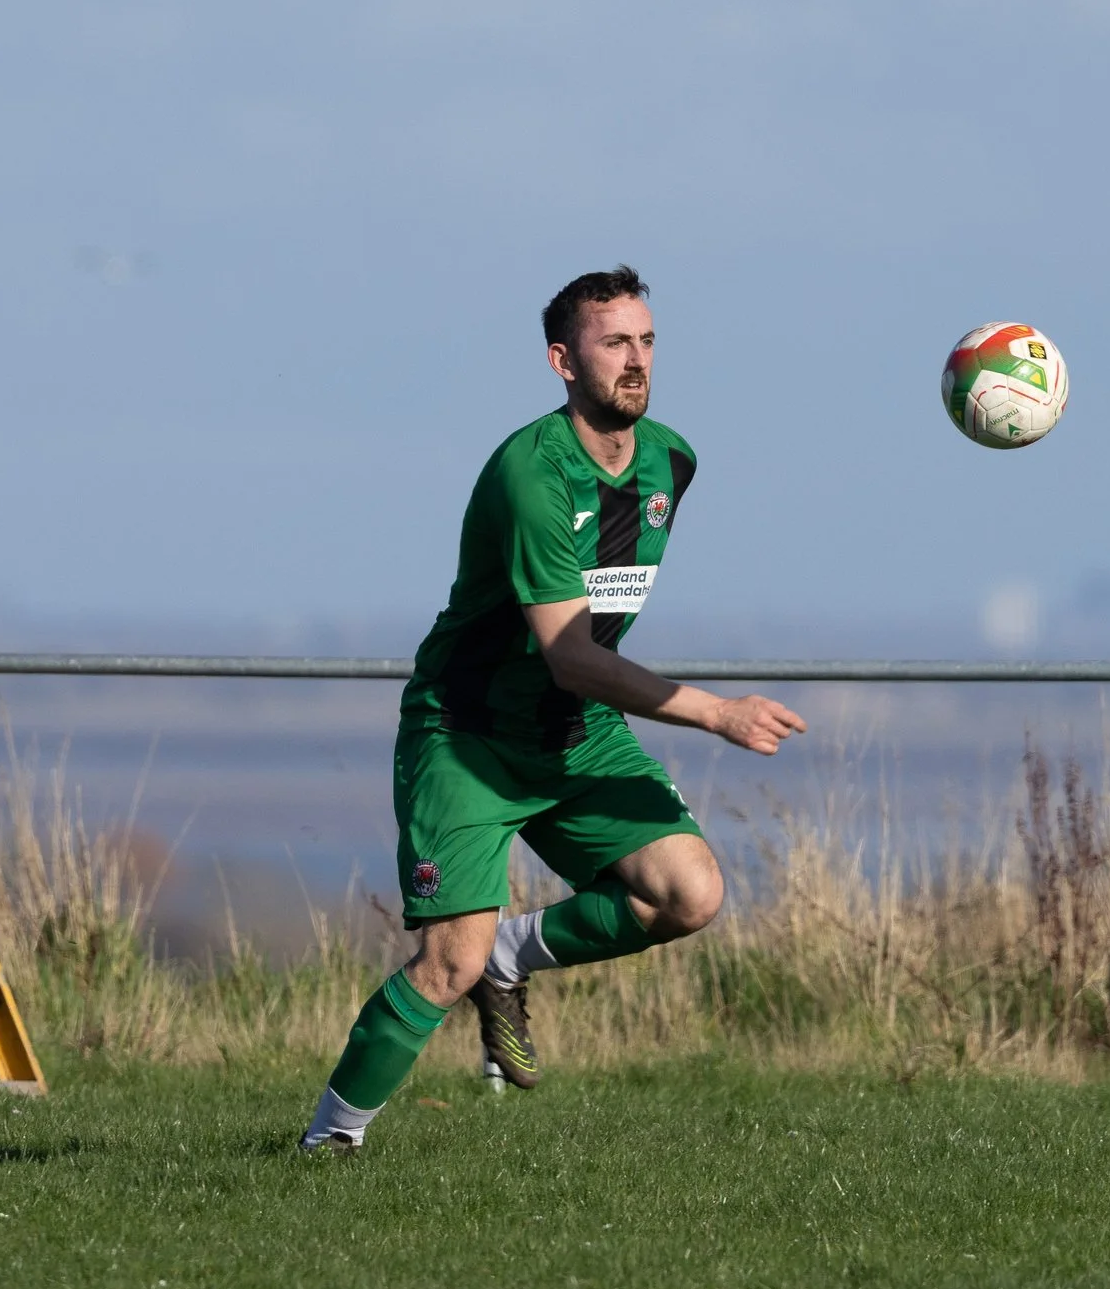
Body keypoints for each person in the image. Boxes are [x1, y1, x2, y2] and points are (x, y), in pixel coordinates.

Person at [299, 265, 807, 1154]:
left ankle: (513, 955)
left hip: (576, 732)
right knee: (446, 963)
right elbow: (571, 655)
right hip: (468, 738)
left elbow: (586, 658)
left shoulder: (671, 461)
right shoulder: (531, 472)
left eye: (647, 341)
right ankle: (328, 1143)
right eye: (615, 343)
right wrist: (717, 715)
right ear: (562, 361)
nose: (637, 359)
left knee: (691, 894)